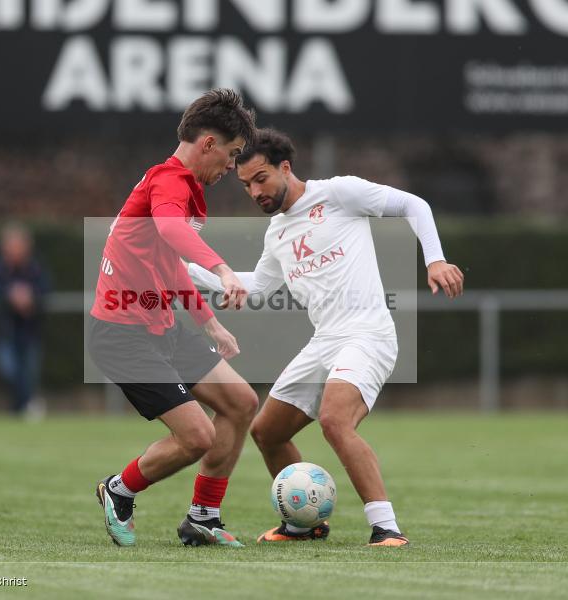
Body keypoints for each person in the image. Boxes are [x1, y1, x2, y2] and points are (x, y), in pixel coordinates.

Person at [188, 128, 464, 547]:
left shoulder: (338, 193)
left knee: (335, 420)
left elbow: (414, 204)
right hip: (324, 342)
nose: (255, 191)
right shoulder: (276, 232)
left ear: (285, 167)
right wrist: (187, 271)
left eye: (261, 178)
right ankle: (304, 525)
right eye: (245, 185)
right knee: (267, 432)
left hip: (367, 333)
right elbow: (257, 288)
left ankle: (386, 527)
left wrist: (435, 259)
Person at [88, 88, 259, 547]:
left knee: (241, 402)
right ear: (207, 143)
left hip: (160, 326)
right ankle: (119, 489)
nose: (231, 166)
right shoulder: (169, 181)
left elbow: (168, 266)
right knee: (198, 436)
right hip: (122, 334)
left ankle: (203, 518)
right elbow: (169, 230)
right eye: (231, 154)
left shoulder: (179, 186)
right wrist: (222, 270)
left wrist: (209, 324)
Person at [0, 224, 51, 415]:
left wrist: (30, 298)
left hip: (30, 331)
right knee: (9, 370)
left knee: (29, 372)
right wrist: (9, 296)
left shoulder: (36, 267)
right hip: (4, 331)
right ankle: (23, 407)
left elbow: (45, 290)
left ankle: (25, 408)